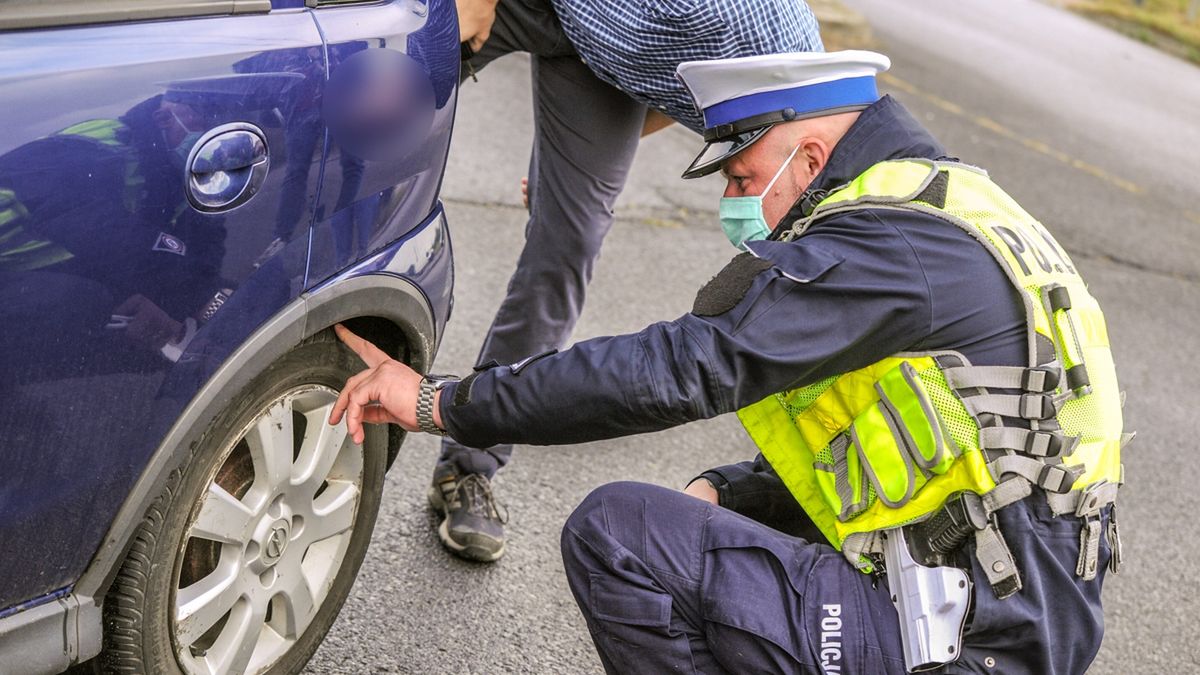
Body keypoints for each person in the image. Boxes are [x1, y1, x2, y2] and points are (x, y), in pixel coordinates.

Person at [329, 50, 1126, 673]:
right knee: (712, 516)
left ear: (810, 160)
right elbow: (929, 448)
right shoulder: (951, 209)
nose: (734, 206)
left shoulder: (884, 243)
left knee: (618, 531)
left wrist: (443, 402)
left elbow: (683, 366)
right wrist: (734, 490)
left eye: (745, 177)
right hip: (1020, 610)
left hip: (962, 634)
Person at [435, 0, 824, 562]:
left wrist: (576, 160)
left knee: (568, 244)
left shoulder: (757, 87)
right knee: (377, 89)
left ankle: (469, 463)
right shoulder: (755, 37)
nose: (734, 200)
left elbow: (672, 90)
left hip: (608, 57)